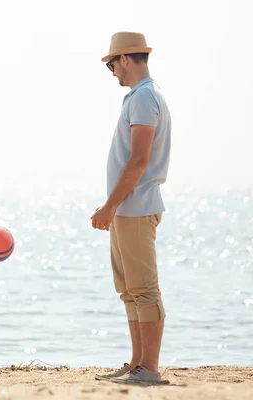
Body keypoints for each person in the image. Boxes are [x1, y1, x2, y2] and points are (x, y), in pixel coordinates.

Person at [91, 32, 171, 385]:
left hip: (135, 208)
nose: (111, 72)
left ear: (125, 58)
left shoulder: (143, 98)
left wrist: (109, 206)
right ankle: (138, 363)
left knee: (143, 289)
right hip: (128, 210)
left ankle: (149, 369)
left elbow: (139, 161)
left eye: (111, 64)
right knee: (129, 290)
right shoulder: (138, 98)